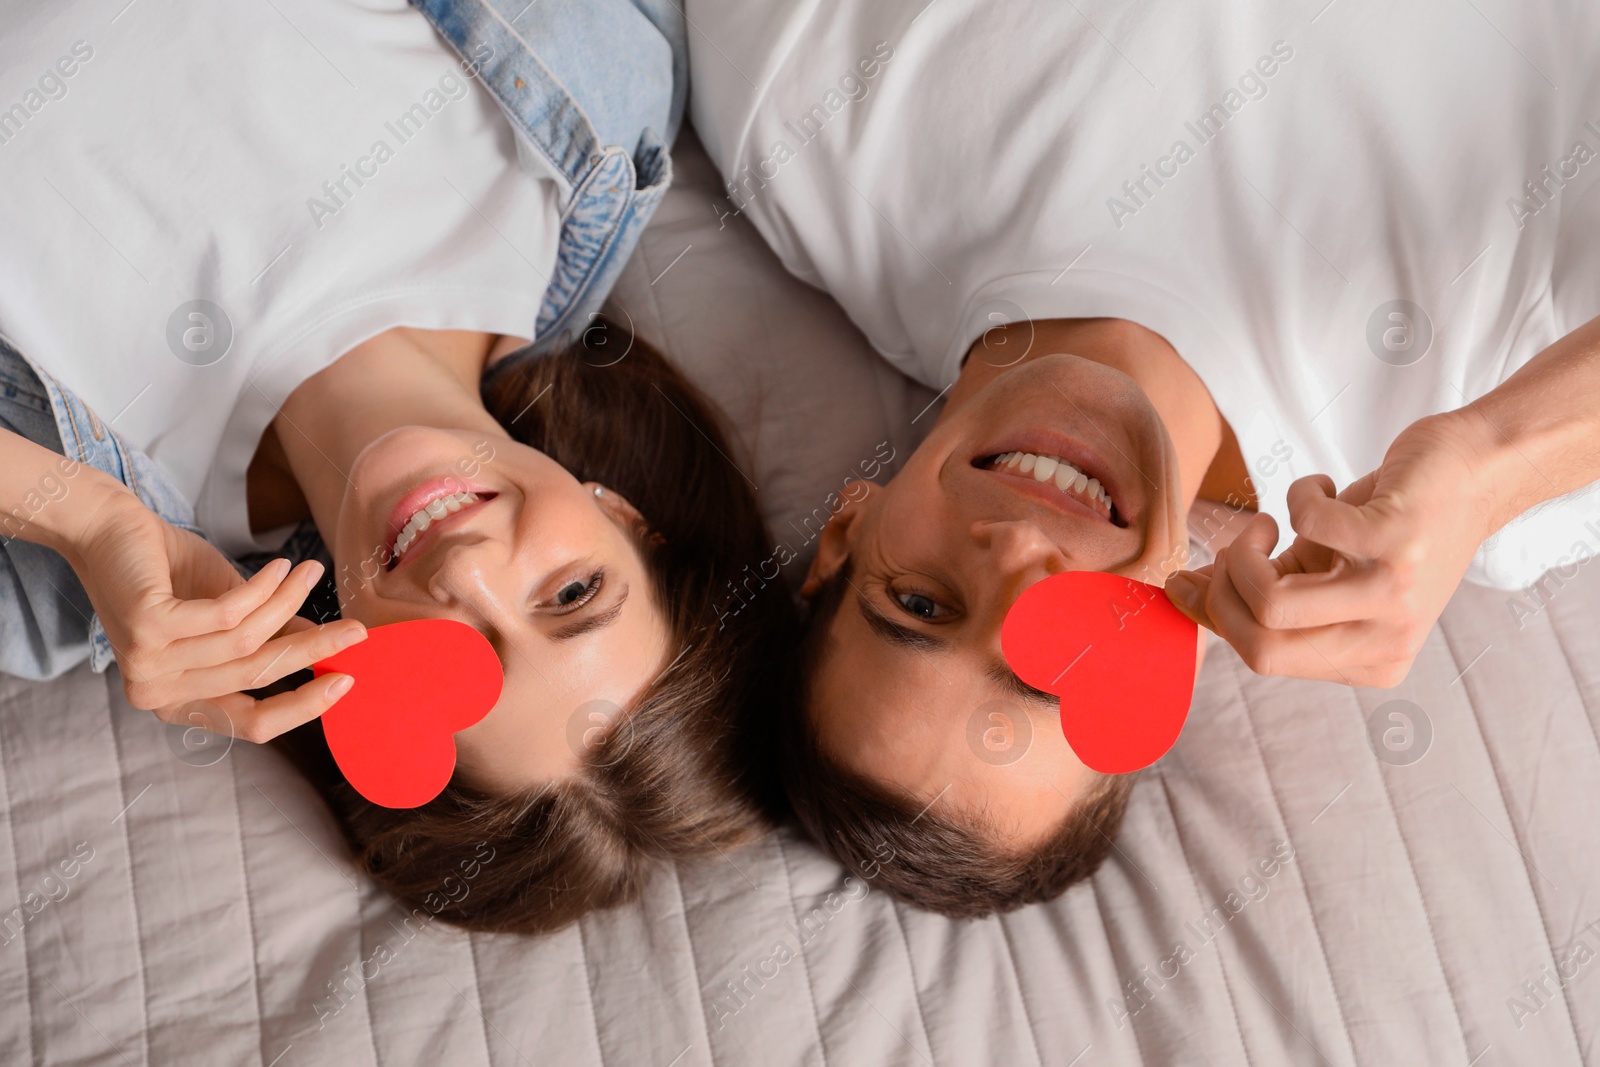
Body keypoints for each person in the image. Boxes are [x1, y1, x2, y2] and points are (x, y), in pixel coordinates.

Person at [686, 0, 1600, 914]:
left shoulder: (805, 128)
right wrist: (1491, 458)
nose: (1012, 556)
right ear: (1167, 663)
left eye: (921, 603)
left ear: (848, 523)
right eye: (1059, 656)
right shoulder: (1502, 459)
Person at [0, 0, 792, 933]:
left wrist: (81, 517)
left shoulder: (51, 579)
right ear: (620, 513)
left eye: (451, 668)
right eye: (573, 593)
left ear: (366, 702)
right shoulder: (601, 120)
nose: (465, 573)